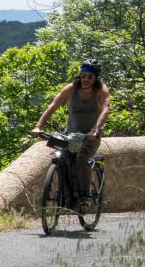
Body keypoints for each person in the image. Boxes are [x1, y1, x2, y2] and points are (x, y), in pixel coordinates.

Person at [31, 58, 111, 205]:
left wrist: (95, 130)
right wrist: (39, 126)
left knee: (82, 158)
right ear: (80, 75)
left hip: (90, 136)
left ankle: (85, 194)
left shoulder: (101, 91)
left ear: (96, 78)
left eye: (90, 77)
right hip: (72, 135)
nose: (86, 79)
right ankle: (67, 197)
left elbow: (105, 110)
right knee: (62, 158)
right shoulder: (70, 89)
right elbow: (53, 106)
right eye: (84, 75)